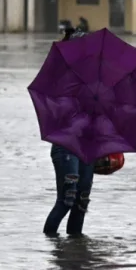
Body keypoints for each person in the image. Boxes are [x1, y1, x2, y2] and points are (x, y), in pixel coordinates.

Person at [44, 24, 95, 237]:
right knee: (66, 200)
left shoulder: (94, 81)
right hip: (65, 146)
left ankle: (75, 256)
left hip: (87, 146)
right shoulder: (60, 80)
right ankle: (51, 246)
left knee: (81, 203)